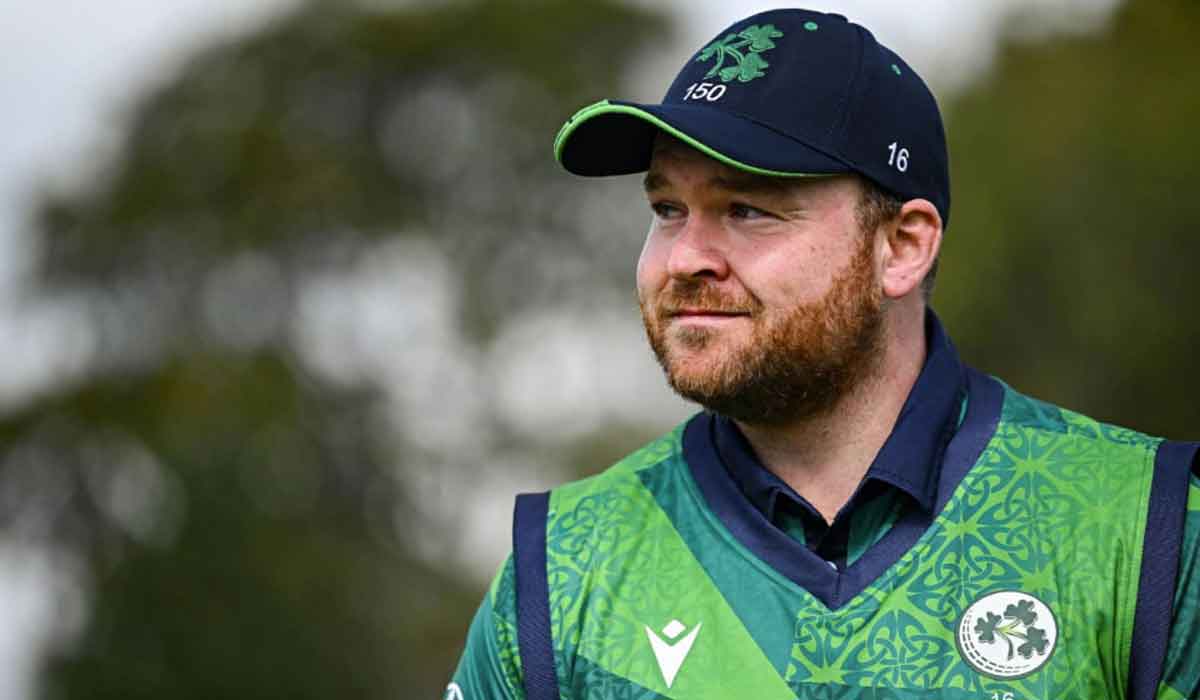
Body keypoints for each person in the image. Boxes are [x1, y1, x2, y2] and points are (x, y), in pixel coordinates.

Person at [447, 8, 1199, 699]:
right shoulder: (560, 571)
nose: (684, 258)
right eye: (668, 209)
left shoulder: (1147, 527)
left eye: (746, 209)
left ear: (901, 246)